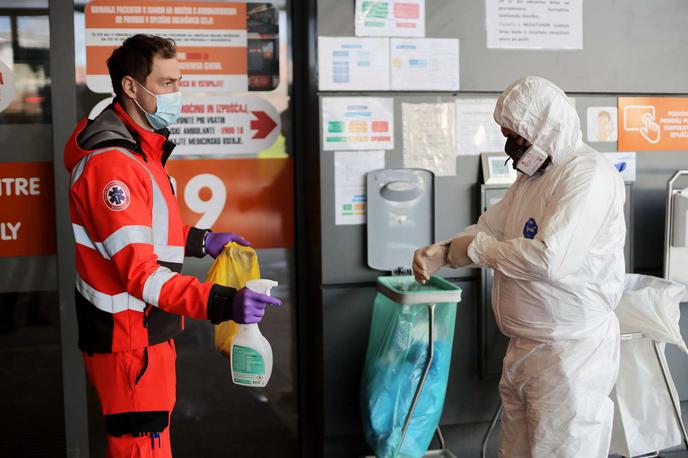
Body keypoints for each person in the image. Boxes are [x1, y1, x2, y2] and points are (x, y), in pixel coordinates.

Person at [64, 34, 282, 457]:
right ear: (130, 87)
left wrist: (201, 240)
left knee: (153, 441)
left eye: (177, 81)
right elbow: (140, 274)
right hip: (129, 343)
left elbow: (143, 236)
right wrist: (223, 303)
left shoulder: (141, 152)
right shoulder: (114, 167)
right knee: (141, 448)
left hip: (144, 335)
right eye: (166, 84)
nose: (175, 93)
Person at [413, 76, 626, 458]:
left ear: (547, 128)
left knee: (561, 450)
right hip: (526, 347)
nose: (512, 146)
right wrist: (445, 251)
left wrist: (475, 251)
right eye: (506, 134)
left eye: (518, 136)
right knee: (516, 451)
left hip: (569, 352)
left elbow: (550, 259)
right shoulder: (532, 177)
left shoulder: (586, 176)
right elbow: (493, 225)